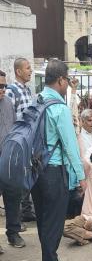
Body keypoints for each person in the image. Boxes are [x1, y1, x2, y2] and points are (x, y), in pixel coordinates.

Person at [32, 59, 86, 261]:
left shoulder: (35, 101)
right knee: (54, 220)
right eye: (66, 80)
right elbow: (71, 147)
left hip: (34, 169)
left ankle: (50, 260)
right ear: (61, 80)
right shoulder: (59, 109)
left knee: (43, 219)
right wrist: (81, 176)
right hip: (53, 171)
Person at [6, 58, 36, 223]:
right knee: (16, 180)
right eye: (27, 68)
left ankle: (26, 211)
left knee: (26, 175)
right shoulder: (11, 91)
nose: (30, 70)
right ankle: (16, 218)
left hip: (28, 140)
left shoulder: (27, 90)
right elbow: (8, 118)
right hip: (17, 141)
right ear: (18, 71)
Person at [0, 70, 23, 254]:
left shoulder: (8, 103)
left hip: (9, 159)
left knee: (13, 196)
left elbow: (15, 127)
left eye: (4, 86)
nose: (2, 89)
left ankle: (13, 232)